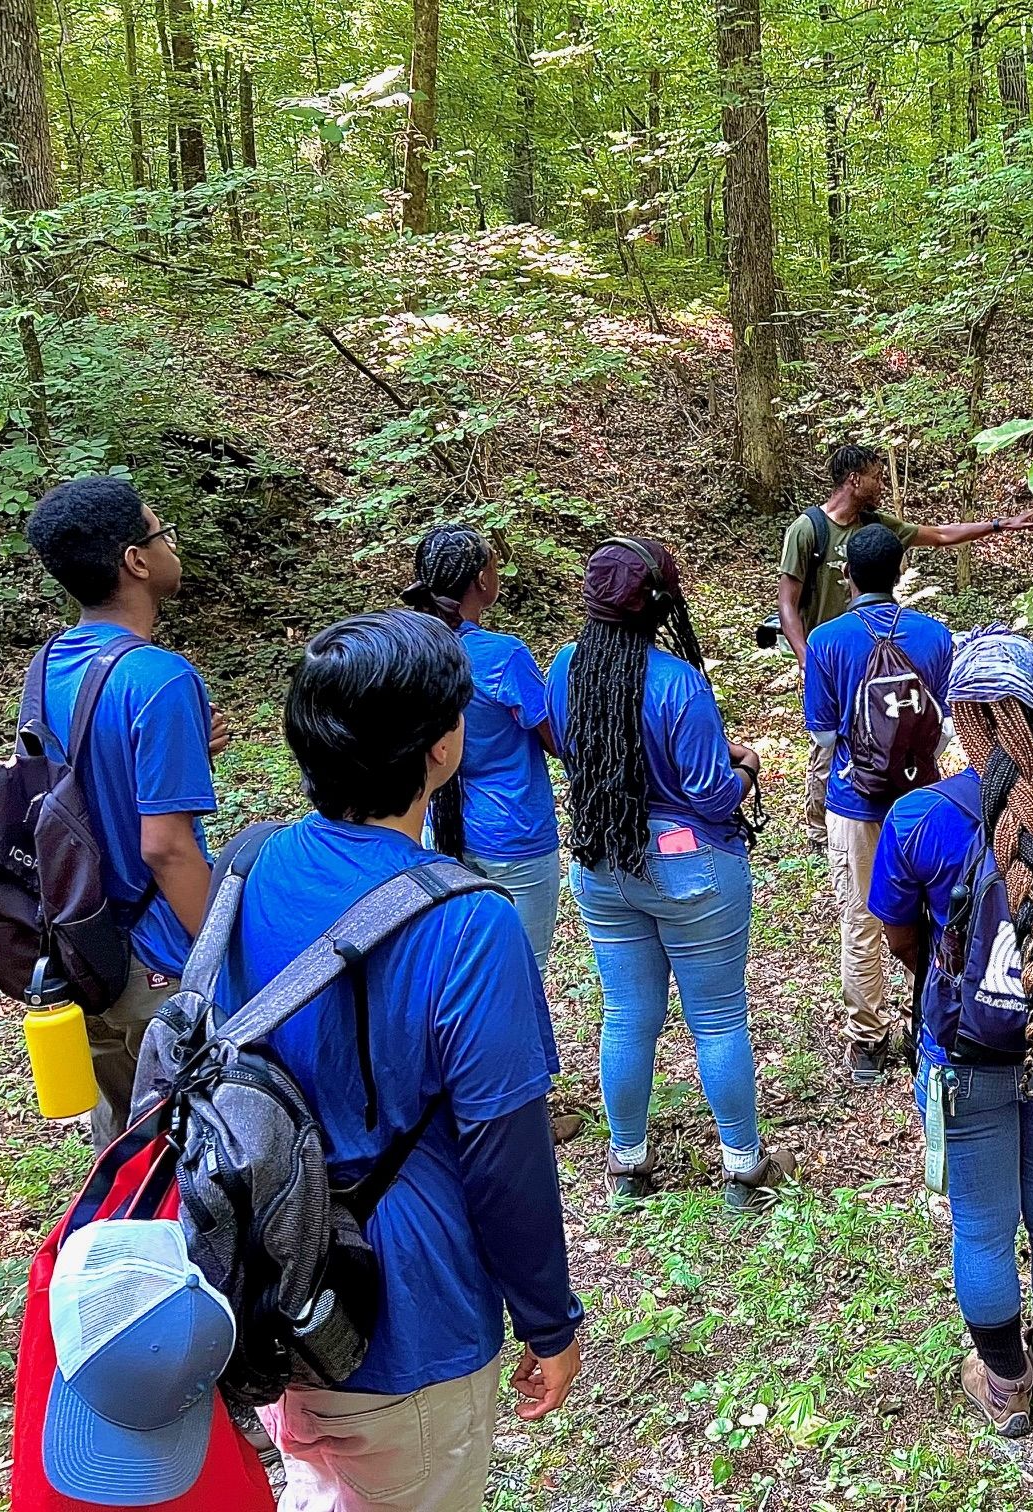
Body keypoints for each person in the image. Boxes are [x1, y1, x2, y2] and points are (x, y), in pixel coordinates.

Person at [237, 610, 580, 1510]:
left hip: (271, 1272)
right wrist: (549, 1321)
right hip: (403, 1309)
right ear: (439, 748)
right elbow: (507, 1159)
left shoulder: (248, 865)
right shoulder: (468, 924)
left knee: (316, 1484)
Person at [868, 629, 1033, 1437]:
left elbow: (900, 935)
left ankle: (1006, 1386)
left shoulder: (918, 819)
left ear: (958, 717)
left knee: (982, 1225)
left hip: (968, 1053)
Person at [547, 537, 797, 1207]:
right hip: (691, 867)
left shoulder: (566, 668)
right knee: (717, 1019)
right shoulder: (678, 683)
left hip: (603, 862)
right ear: (660, 604)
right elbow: (712, 795)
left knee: (626, 1016)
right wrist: (746, 764)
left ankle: (628, 1165)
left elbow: (576, 751)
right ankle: (743, 1168)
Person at [23, 476, 221, 1150]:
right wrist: (224, 955)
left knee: (124, 1145)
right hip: (156, 964)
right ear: (136, 561)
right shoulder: (158, 677)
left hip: (81, 951)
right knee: (192, 1148)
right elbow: (166, 848)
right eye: (162, 532)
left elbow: (74, 791)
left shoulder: (44, 667)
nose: (171, 544)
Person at [778, 442, 1033, 849]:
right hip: (835, 661)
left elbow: (938, 535)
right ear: (854, 480)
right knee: (831, 753)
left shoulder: (878, 526)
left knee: (896, 736)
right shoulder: (808, 530)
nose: (882, 483)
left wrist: (996, 526)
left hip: (887, 657)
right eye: (876, 476)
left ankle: (890, 823)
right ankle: (826, 831)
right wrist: (806, 660)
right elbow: (788, 604)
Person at [803, 524, 954, 1084]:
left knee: (862, 917)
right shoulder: (936, 636)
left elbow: (822, 734)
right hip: (923, 797)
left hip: (856, 799)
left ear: (847, 577)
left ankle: (867, 1040)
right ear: (899, 575)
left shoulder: (827, 641)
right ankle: (933, 1016)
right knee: (935, 907)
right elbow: (943, 723)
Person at [401, 525, 563, 973]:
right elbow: (557, 740)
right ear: (481, 581)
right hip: (515, 833)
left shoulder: (411, 650)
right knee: (523, 974)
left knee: (464, 971)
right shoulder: (503, 656)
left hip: (442, 831)